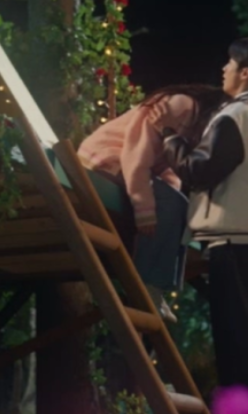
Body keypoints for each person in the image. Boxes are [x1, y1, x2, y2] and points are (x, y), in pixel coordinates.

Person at [160, 38, 248, 414]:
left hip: (233, 243)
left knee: (242, 350)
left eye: (230, 63)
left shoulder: (237, 114)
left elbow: (199, 170)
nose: (223, 69)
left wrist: (170, 138)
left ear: (245, 73)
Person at [78, 84, 231, 322]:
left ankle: (156, 288)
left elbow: (167, 164)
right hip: (107, 157)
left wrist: (168, 196)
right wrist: (145, 209)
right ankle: (145, 284)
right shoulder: (180, 107)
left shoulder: (196, 125)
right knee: (173, 206)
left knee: (180, 208)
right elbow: (136, 155)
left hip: (129, 163)